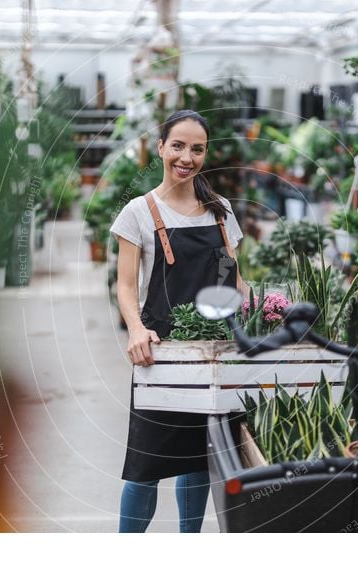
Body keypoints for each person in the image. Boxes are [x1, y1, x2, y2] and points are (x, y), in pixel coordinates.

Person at [109, 110, 245, 532]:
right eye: (179, 146)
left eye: (197, 148)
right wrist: (135, 328)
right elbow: (126, 286)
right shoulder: (139, 212)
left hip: (214, 354)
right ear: (162, 148)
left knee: (198, 458)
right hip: (161, 354)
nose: (187, 157)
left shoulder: (220, 212)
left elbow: (236, 282)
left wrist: (261, 319)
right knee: (144, 465)